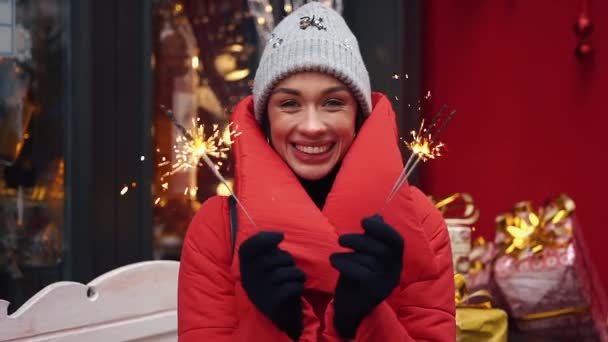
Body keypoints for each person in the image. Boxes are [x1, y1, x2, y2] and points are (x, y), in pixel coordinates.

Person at [178, 2, 455, 341]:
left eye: (333, 103)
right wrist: (273, 323)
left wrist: (365, 318)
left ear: (359, 115)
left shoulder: (419, 223)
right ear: (266, 118)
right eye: (290, 104)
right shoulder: (217, 229)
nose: (312, 126)